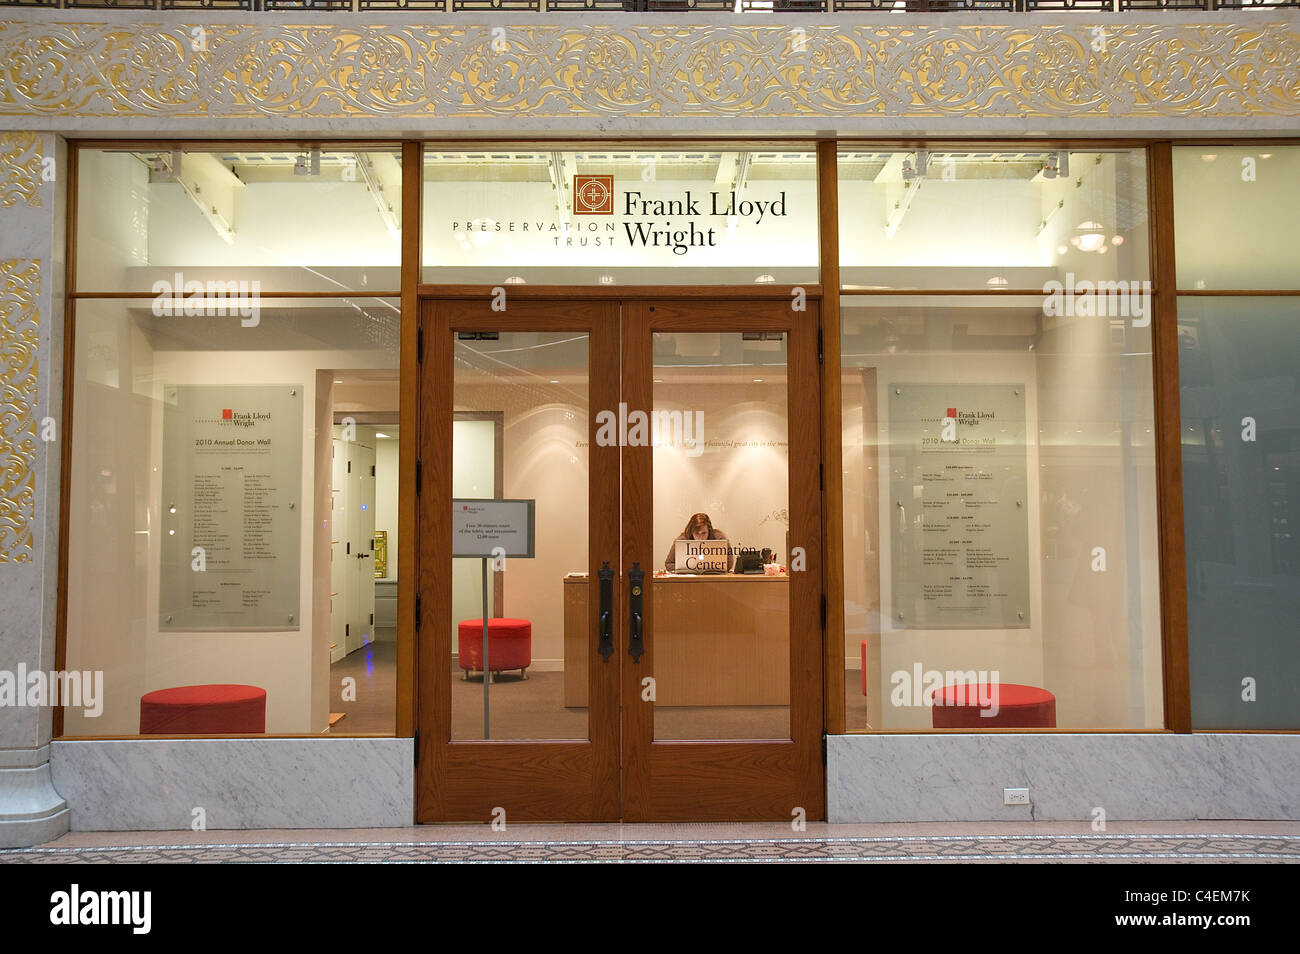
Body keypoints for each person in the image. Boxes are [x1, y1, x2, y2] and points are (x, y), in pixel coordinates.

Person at [664, 512, 733, 572]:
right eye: (697, 533)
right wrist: (688, 570)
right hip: (689, 580)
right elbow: (668, 564)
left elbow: (729, 564)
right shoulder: (681, 541)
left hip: (713, 579)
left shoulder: (719, 539)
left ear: (709, 531)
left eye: (704, 533)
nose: (700, 538)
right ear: (691, 532)